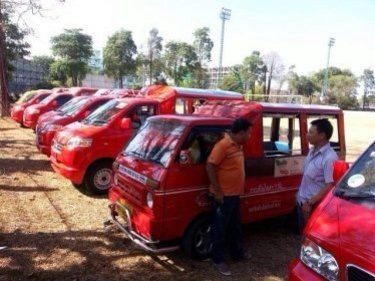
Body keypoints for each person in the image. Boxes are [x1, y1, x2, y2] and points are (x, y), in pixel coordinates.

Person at [206, 118, 252, 276]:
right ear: (240, 133)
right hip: (223, 196)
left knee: (235, 226)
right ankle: (217, 259)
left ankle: (237, 254)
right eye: (248, 133)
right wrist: (218, 192)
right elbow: (210, 166)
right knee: (219, 229)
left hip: (234, 195)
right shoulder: (223, 145)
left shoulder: (238, 144)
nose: (250, 136)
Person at [296, 118, 338, 233]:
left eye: (311, 132)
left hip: (313, 206)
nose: (307, 135)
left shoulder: (330, 158)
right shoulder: (312, 150)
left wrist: (310, 202)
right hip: (303, 203)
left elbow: (330, 185)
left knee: (312, 237)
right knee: (304, 235)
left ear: (322, 136)